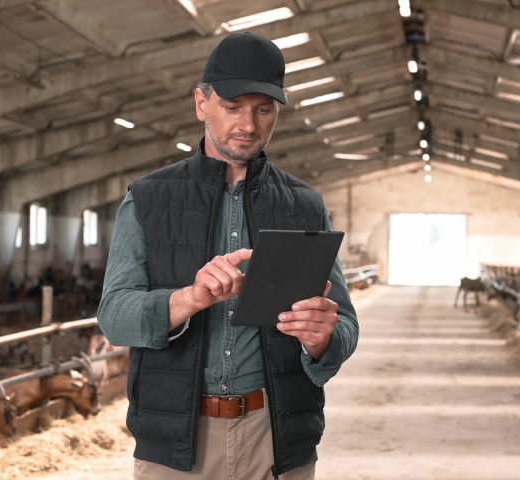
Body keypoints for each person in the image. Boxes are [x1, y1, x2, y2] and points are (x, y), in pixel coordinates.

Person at [98, 31, 359, 480]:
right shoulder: (148, 199)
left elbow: (346, 324)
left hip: (274, 436)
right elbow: (114, 316)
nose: (248, 125)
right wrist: (190, 299)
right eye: (232, 107)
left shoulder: (304, 205)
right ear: (202, 103)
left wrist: (321, 340)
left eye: (263, 109)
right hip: (176, 445)